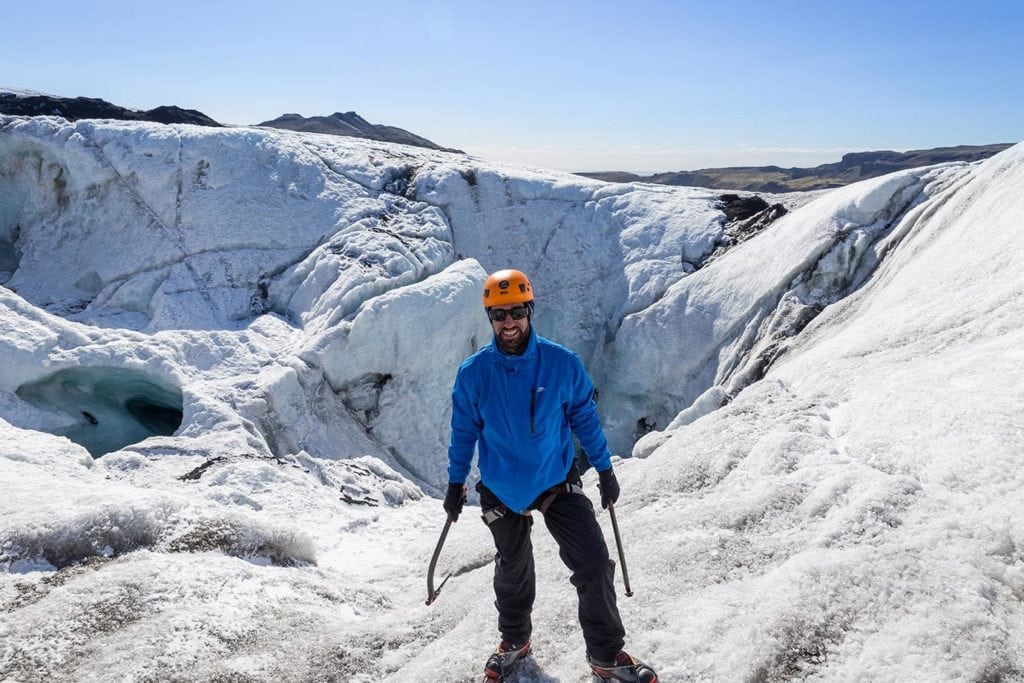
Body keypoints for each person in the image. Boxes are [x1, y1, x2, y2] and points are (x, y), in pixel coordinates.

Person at [445, 269, 658, 683]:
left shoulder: (562, 364)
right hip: (501, 487)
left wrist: (605, 468)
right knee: (513, 565)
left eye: (517, 312)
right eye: (499, 315)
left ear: (530, 311)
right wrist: (456, 483)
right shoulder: (473, 373)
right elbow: (463, 431)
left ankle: (606, 654)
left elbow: (584, 418)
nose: (509, 323)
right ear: (489, 319)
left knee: (594, 563)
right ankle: (514, 640)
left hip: (556, 480)